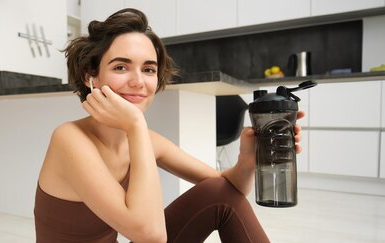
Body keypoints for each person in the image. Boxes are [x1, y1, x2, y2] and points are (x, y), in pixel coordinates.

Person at [35, 8, 304, 243]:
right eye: (120, 67)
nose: (139, 81)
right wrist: (136, 125)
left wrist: (247, 161)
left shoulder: (143, 138)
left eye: (149, 69)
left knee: (219, 192)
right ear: (90, 76)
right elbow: (150, 236)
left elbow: (228, 192)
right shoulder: (69, 139)